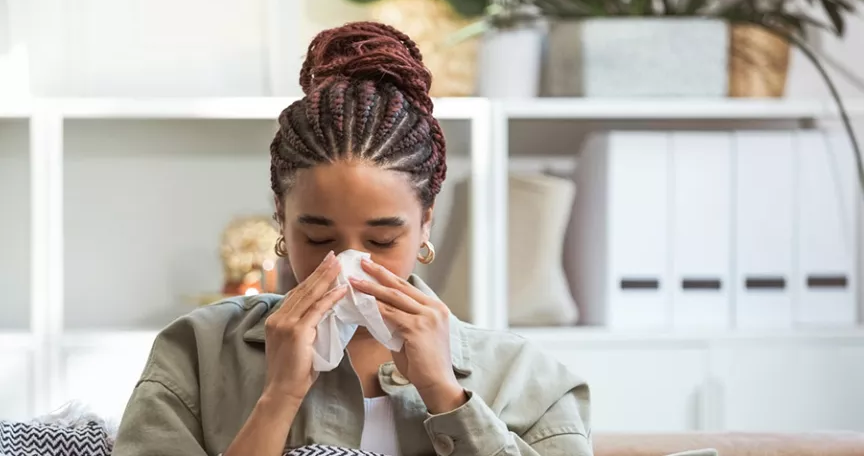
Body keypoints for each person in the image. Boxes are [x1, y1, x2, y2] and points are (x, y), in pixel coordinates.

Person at [112, 22, 591, 456]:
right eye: (318, 237)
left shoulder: (524, 377)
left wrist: (446, 395)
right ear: (282, 220)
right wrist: (278, 398)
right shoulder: (197, 354)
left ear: (425, 223)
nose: (348, 265)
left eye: (382, 240)